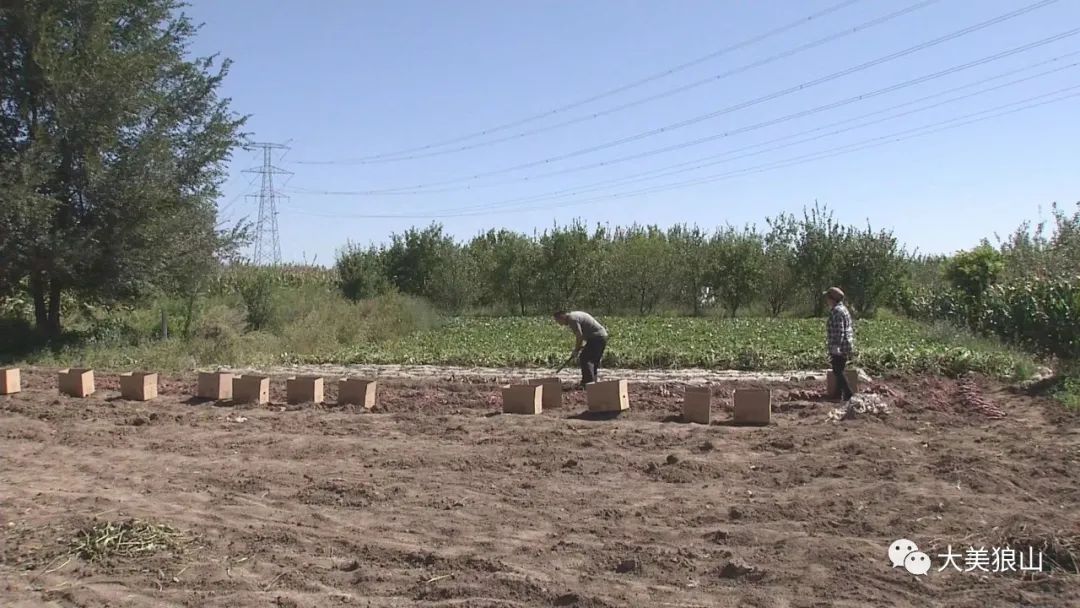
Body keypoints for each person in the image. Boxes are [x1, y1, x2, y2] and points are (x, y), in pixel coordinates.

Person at [553, 310, 608, 388]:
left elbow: (579, 336)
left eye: (558, 321)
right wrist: (580, 347)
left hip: (597, 337)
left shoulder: (572, 319)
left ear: (562, 317)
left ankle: (588, 383)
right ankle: (593, 383)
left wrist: (576, 350)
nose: (560, 324)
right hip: (601, 337)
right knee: (592, 361)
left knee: (585, 358)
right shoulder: (574, 316)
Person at [824, 286, 855, 401]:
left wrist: (836, 346)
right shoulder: (843, 309)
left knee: (838, 370)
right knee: (839, 369)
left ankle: (849, 394)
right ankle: (838, 394)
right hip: (846, 344)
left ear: (832, 299)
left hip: (840, 345)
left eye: (827, 298)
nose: (826, 301)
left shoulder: (837, 311)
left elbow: (839, 330)